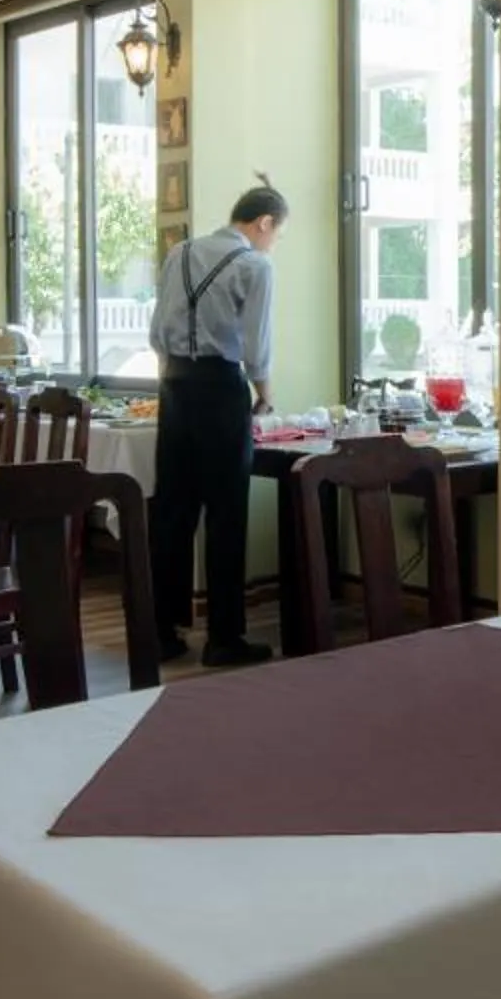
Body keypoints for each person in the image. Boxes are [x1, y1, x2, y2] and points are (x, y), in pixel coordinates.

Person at [148, 178, 286, 666]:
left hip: (175, 387)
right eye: (275, 233)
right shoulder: (255, 264)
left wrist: (174, 379)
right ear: (263, 223)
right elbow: (257, 347)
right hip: (222, 389)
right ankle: (224, 638)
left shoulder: (179, 252)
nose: (272, 242)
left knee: (172, 511)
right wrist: (265, 396)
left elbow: (157, 330)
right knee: (227, 513)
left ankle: (160, 631)